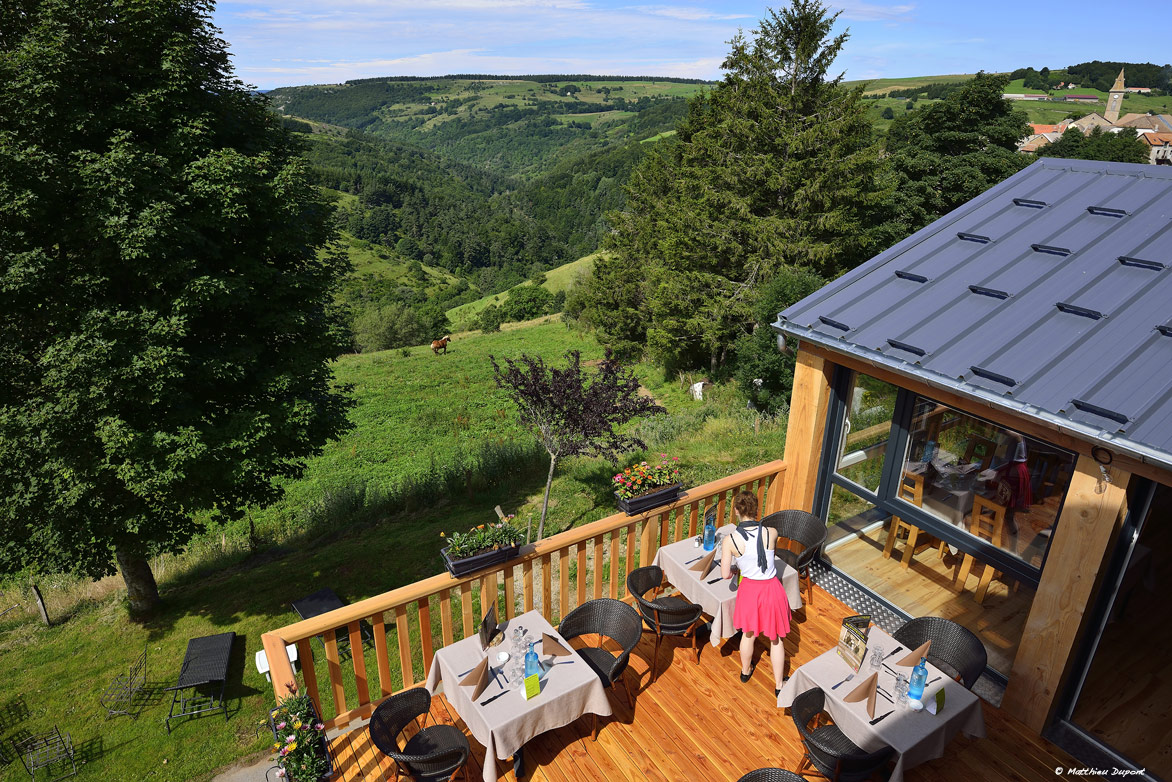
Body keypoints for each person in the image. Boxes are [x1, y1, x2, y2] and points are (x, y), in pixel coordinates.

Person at [720, 490, 791, 695]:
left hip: (749, 591)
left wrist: (737, 568)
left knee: (748, 634)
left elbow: (726, 574)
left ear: (736, 511)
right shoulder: (772, 533)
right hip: (771, 589)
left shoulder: (730, 540)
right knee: (776, 639)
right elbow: (768, 558)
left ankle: (745, 670)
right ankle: (779, 685)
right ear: (757, 510)